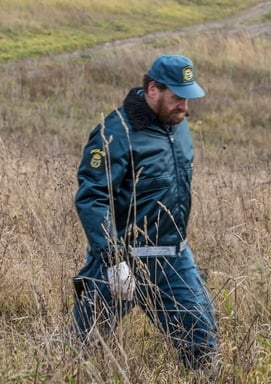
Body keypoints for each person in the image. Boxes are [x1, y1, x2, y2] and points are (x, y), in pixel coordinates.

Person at [72, 54, 218, 372]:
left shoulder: (178, 127)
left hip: (174, 258)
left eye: (188, 98)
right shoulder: (115, 133)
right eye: (177, 97)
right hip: (122, 260)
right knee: (79, 345)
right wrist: (113, 260)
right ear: (153, 89)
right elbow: (92, 199)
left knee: (203, 343)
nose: (185, 107)